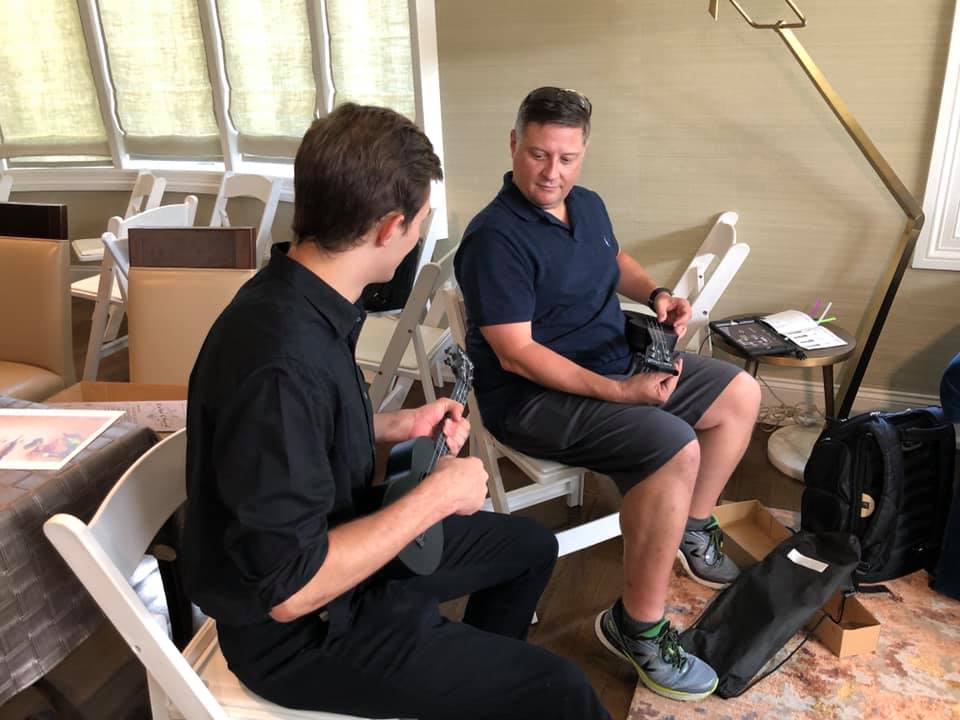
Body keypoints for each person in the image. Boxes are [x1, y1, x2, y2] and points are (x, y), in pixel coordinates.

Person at [181, 103, 611, 720]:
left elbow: (296, 436)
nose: (416, 236)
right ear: (390, 228)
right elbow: (290, 589)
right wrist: (433, 499)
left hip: (336, 546)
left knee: (530, 547)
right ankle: (468, 682)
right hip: (302, 633)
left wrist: (392, 426)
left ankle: (472, 690)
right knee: (565, 693)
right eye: (419, 224)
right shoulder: (280, 360)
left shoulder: (299, 296)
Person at [455, 87, 762, 703]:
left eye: (567, 158)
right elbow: (517, 353)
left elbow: (613, 257)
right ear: (514, 145)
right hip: (534, 398)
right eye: (539, 155)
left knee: (741, 394)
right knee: (674, 446)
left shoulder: (585, 204)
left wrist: (655, 295)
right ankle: (636, 627)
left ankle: (689, 527)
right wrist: (622, 394)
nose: (552, 173)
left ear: (584, 153)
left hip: (614, 359)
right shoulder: (494, 238)